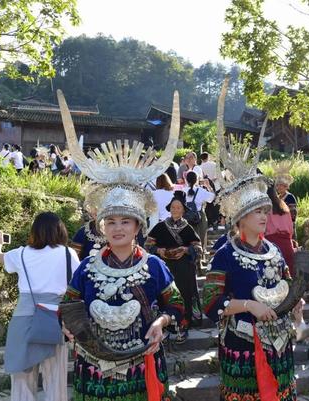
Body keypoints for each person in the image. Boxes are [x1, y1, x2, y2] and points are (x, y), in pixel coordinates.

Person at [58, 89, 184, 401]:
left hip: (144, 363)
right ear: (101, 226)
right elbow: (69, 306)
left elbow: (177, 307)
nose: (117, 229)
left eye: (125, 222)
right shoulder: (88, 267)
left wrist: (160, 321)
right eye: (110, 222)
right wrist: (69, 327)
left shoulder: (154, 265)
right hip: (94, 367)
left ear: (138, 226)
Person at [201, 140, 299, 401]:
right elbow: (211, 302)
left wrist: (295, 304)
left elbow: (287, 284)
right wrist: (248, 305)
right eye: (256, 211)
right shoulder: (225, 254)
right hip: (242, 342)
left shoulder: (274, 250)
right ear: (241, 217)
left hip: (279, 342)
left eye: (265, 210)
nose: (264, 216)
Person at [0, 212, 80, 401]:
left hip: (23, 319)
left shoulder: (21, 253)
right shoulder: (67, 253)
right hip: (55, 320)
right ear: (60, 231)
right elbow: (78, 282)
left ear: (35, 231)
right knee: (56, 381)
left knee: (22, 380)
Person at [146, 191, 203, 340]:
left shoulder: (188, 228)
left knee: (184, 293)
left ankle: (183, 323)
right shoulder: (160, 227)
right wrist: (159, 250)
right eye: (173, 207)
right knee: (165, 295)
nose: (175, 210)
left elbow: (198, 248)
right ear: (169, 209)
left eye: (178, 208)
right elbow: (147, 245)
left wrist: (184, 250)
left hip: (184, 268)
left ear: (183, 210)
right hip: (164, 267)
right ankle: (165, 324)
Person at [265, 184, 296, 276]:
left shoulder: (266, 208)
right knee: (288, 277)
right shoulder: (284, 206)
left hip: (271, 246)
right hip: (287, 244)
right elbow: (291, 229)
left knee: (273, 277)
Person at [183, 171, 215, 249]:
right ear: (196, 179)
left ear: (186, 180)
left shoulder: (183, 190)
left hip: (185, 218)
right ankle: (200, 255)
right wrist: (208, 186)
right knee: (200, 238)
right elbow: (212, 198)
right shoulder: (200, 191)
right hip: (199, 217)